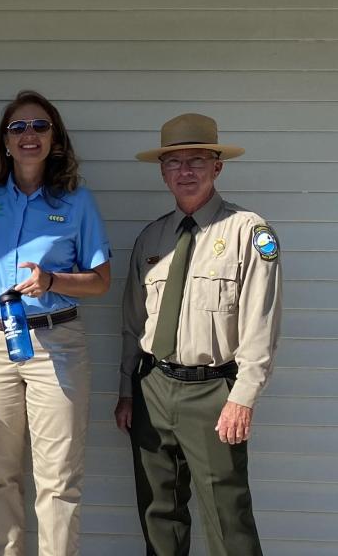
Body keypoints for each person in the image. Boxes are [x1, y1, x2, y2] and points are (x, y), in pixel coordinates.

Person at [114, 113, 281, 556]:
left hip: (214, 393)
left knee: (229, 519)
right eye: (174, 162)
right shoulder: (152, 239)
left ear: (217, 167)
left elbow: (260, 325)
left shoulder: (249, 232)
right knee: (159, 516)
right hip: (152, 387)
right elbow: (134, 324)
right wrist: (127, 391)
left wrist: (243, 397)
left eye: (197, 160)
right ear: (163, 172)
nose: (185, 171)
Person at [0, 90, 112, 556]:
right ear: (4, 142)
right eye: (18, 127)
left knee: (58, 481)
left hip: (56, 345)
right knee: (1, 477)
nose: (29, 135)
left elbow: (102, 281)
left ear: (55, 139)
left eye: (40, 127)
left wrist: (53, 280)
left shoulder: (77, 202)